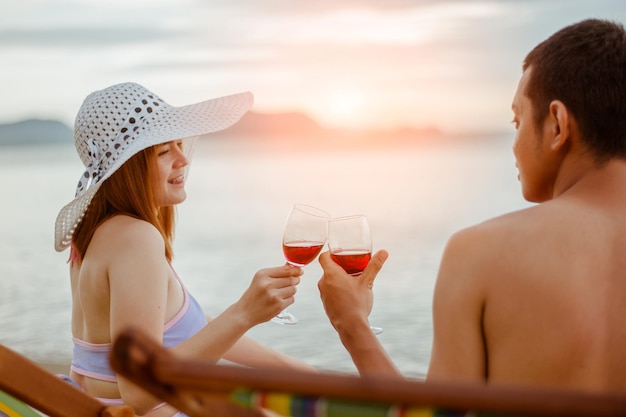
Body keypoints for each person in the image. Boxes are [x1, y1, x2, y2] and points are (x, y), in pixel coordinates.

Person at [317, 18, 626, 394]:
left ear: (558, 124)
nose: (514, 144)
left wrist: (351, 325)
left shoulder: (480, 253)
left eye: (517, 120)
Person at [54, 82, 315, 417]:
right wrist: (244, 313)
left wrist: (286, 365)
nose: (182, 159)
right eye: (163, 152)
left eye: (179, 145)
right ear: (128, 168)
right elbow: (139, 390)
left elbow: (184, 326)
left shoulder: (94, 233)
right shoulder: (136, 238)